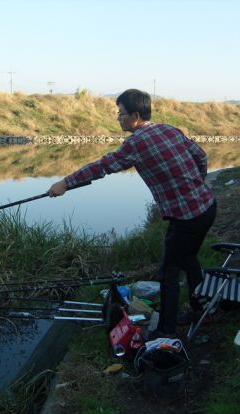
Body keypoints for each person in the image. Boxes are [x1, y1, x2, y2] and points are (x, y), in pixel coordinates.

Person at [48, 89, 216, 339]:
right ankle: (201, 307)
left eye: (121, 113)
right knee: (189, 258)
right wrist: (196, 185)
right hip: (208, 207)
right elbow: (200, 156)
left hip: (187, 218)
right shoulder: (169, 129)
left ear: (136, 116)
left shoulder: (136, 143)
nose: (118, 118)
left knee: (168, 272)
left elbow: (103, 166)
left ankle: (166, 331)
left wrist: (65, 183)